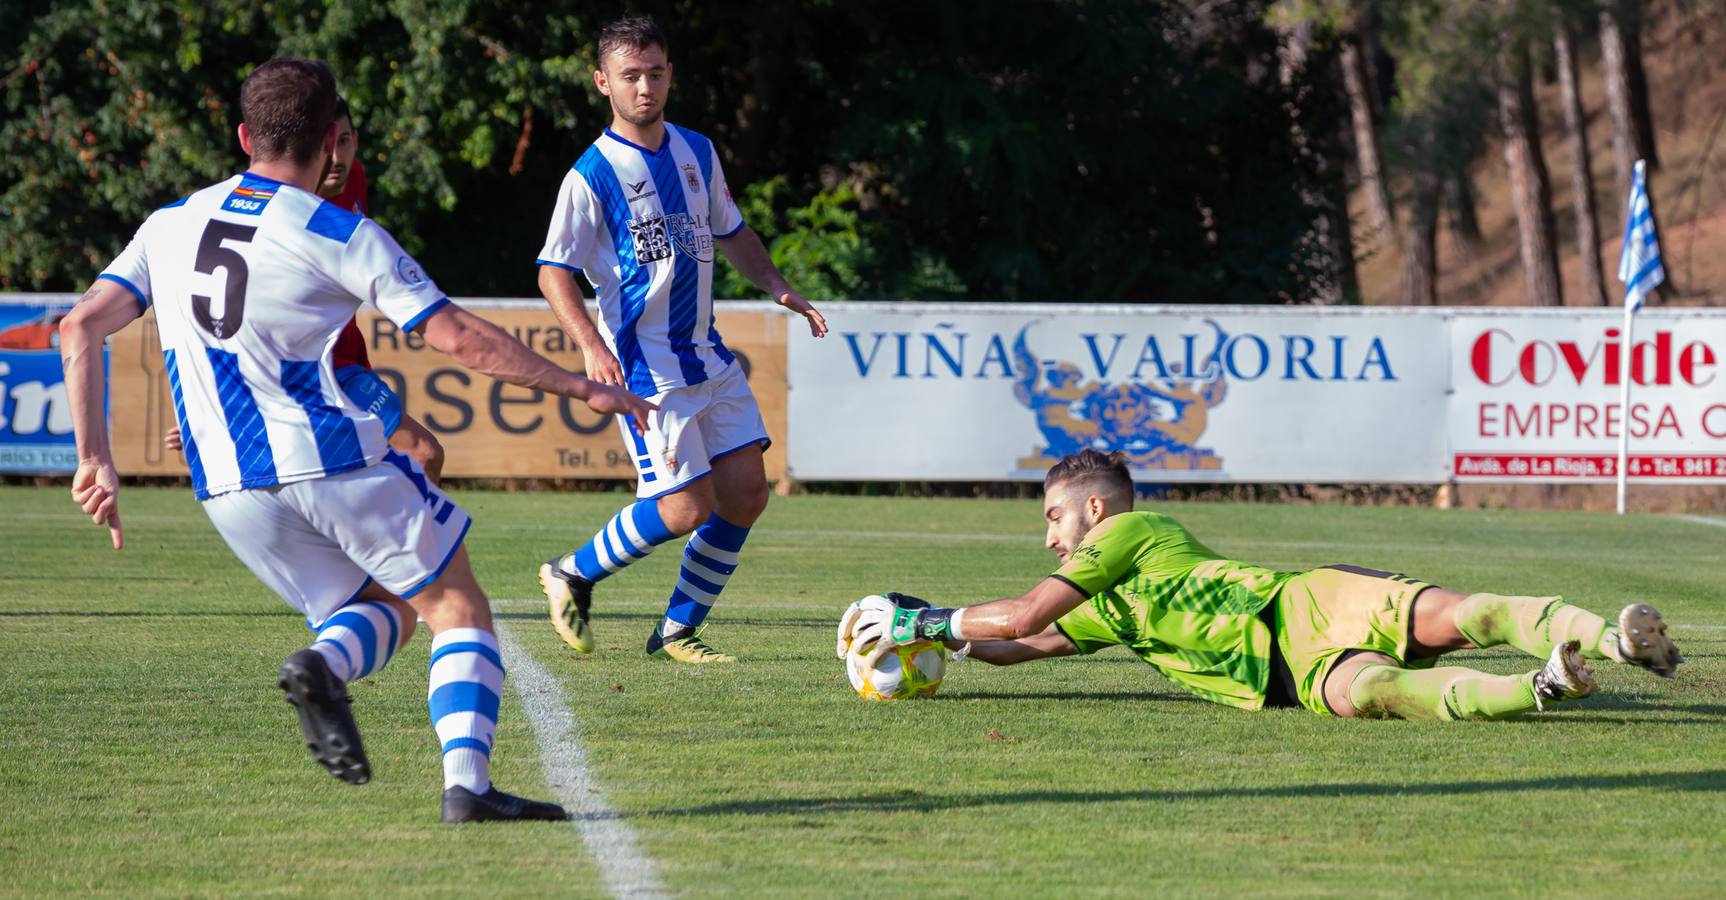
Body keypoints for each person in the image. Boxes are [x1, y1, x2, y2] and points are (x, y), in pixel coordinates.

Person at [60, 58, 654, 821]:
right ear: (330, 140)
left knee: (384, 608)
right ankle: (467, 786)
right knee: (457, 607)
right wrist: (584, 386)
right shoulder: (336, 229)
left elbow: (80, 326)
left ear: (245, 136)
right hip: (327, 457)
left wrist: (94, 459)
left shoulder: (168, 224)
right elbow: (461, 339)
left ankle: (322, 662)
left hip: (226, 488)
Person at [841, 449, 1685, 720]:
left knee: (1463, 617)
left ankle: (1612, 637)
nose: (1051, 537)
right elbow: (1027, 640)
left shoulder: (1130, 532)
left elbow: (1024, 611)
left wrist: (922, 625)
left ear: (1093, 508)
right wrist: (938, 636)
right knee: (1388, 693)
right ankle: (1543, 685)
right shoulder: (1101, 609)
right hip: (1285, 677)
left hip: (1302, 601)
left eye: (1054, 521)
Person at [534, 16, 827, 664]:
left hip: (707, 352)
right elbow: (553, 268)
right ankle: (571, 574)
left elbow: (732, 229)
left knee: (748, 492)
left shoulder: (697, 150)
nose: (645, 87)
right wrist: (590, 345)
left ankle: (676, 630)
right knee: (686, 506)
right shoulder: (592, 174)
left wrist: (776, 282)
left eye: (656, 73)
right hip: (646, 365)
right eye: (630, 76)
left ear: (671, 75)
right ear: (602, 82)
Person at [165, 96, 450, 481]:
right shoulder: (276, 206)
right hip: (295, 369)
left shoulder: (355, 180)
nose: (336, 157)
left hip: (343, 361)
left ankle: (410, 541)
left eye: (345, 141)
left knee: (419, 457)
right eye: (326, 144)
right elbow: (226, 301)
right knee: (420, 453)